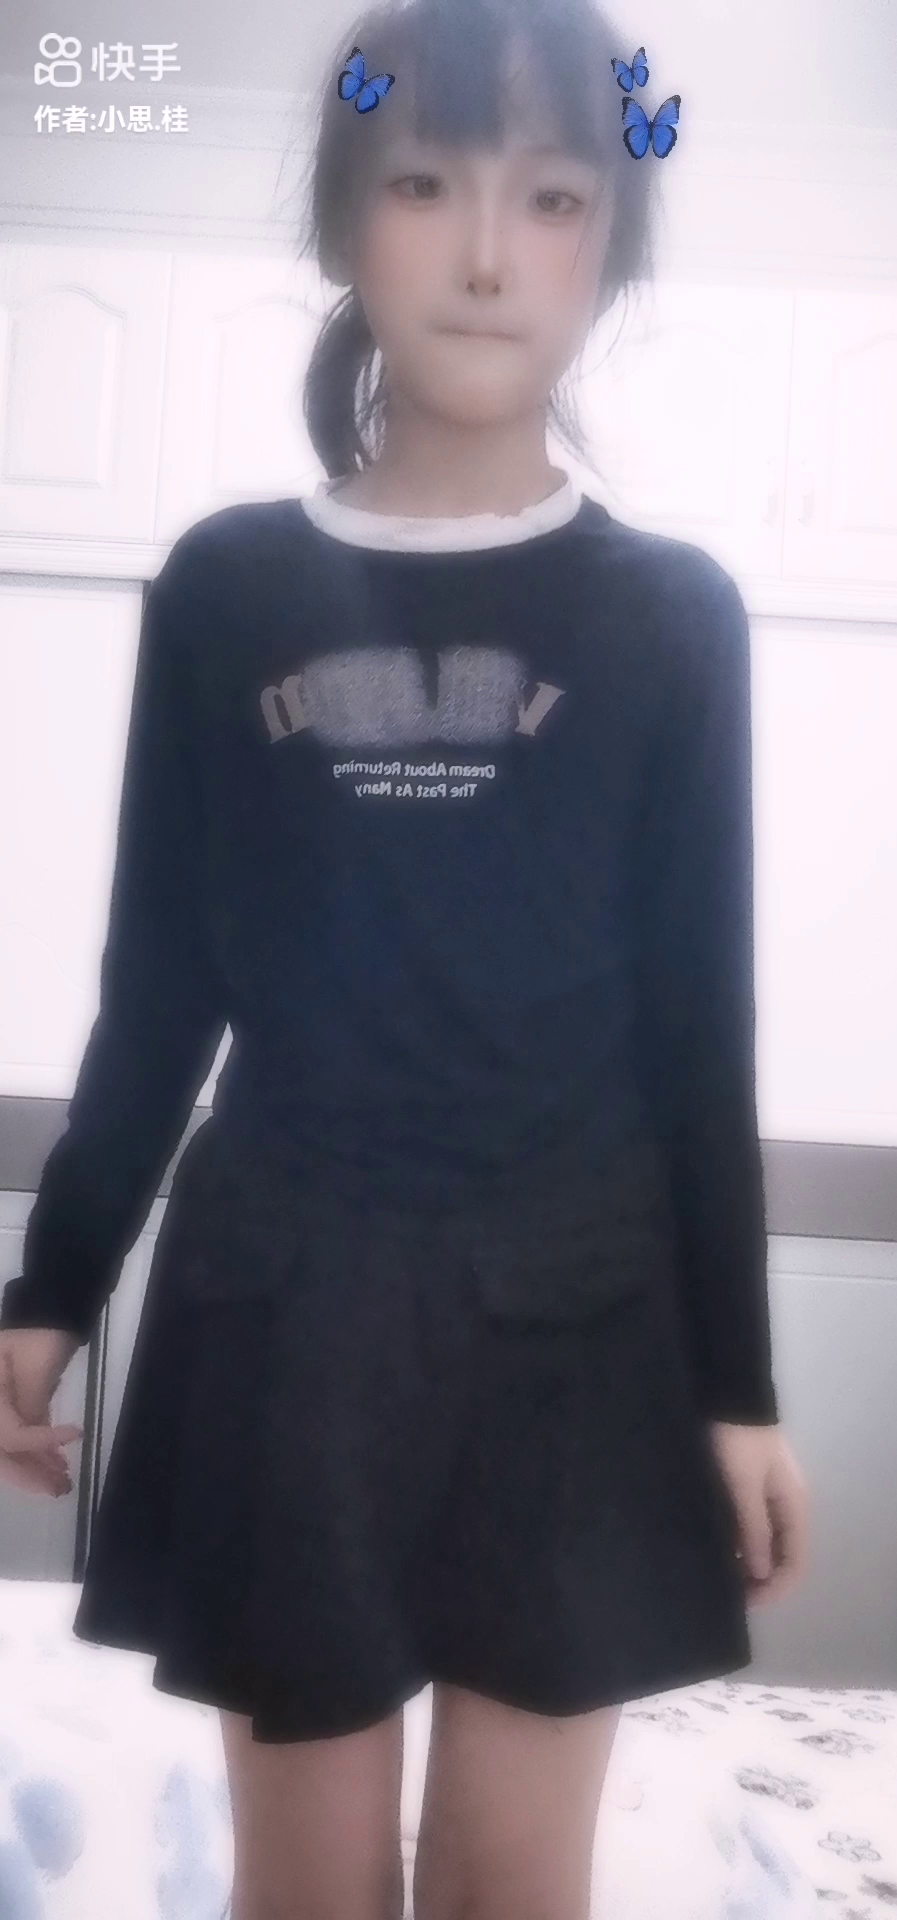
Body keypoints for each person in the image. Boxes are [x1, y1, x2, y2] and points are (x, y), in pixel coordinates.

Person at [0, 0, 811, 1915]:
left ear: (611, 244)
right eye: (426, 183)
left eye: (554, 197)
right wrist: (50, 1291)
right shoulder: (227, 588)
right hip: (287, 1313)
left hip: (580, 1316)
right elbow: (160, 987)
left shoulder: (672, 616)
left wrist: (740, 1388)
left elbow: (700, 1030)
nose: (485, 253)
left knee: (516, 1894)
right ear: (344, 220)